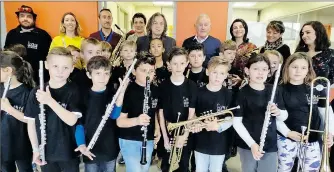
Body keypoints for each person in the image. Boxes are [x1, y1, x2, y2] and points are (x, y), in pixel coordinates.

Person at [24, 47, 82, 172]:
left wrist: (50, 101)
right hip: (45, 151)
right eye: (55, 66)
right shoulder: (36, 91)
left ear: (72, 68)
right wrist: (35, 149)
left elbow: (72, 120)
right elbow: (31, 123)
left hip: (68, 152)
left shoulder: (74, 90)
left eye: (65, 67)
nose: (60, 71)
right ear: (46, 65)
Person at [276, 52, 334, 171]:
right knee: (284, 169)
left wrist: (330, 133)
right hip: (286, 138)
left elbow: (327, 114)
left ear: (308, 70)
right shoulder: (279, 90)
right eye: (294, 67)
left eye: (303, 68)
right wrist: (287, 133)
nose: (298, 71)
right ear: (287, 68)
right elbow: (274, 117)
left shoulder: (317, 89)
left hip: (311, 139)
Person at [233, 54, 287, 172]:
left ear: (269, 72)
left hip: (270, 143)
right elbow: (236, 122)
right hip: (247, 144)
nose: (260, 73)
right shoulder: (242, 93)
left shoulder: (274, 90)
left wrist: (277, 112)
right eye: (256, 69)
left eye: (264, 69)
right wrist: (252, 144)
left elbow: (284, 116)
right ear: (247, 71)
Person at [74, 56, 128, 172]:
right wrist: (81, 144)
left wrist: (121, 94)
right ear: (89, 75)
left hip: (109, 147)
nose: (102, 77)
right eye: (97, 73)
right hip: (90, 148)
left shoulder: (112, 93)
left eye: (106, 73)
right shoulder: (83, 96)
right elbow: (79, 124)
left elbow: (114, 115)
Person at [117, 53, 160, 172]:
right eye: (143, 70)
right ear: (134, 71)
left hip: (148, 139)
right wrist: (137, 120)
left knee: (143, 169)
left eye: (151, 71)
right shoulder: (127, 91)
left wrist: (157, 128)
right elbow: (120, 122)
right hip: (129, 139)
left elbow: (154, 111)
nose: (148, 74)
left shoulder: (156, 90)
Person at [159, 47, 198, 172]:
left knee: (183, 166)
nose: (178, 67)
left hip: (185, 135)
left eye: (182, 63)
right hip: (168, 133)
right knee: (166, 165)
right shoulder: (163, 85)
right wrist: (165, 138)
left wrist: (185, 136)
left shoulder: (191, 86)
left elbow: (191, 113)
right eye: (174, 63)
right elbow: (160, 113)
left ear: (187, 64)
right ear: (168, 64)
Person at [192, 56, 234, 172]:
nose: (217, 76)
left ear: (226, 75)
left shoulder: (229, 94)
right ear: (207, 72)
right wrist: (195, 123)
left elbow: (231, 118)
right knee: (200, 169)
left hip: (219, 142)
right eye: (214, 72)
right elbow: (193, 114)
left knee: (216, 169)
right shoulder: (198, 92)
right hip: (201, 140)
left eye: (221, 73)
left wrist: (218, 126)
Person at [0, 51, 35, 172]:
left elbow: (29, 119)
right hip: (3, 143)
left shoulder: (27, 92)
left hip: (22, 143)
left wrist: (9, 109)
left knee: (25, 169)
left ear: (8, 70)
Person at [4, 5, 52, 84]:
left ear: (34, 19)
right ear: (18, 18)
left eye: (29, 16)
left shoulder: (43, 35)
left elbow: (49, 58)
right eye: (22, 16)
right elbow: (6, 56)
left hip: (38, 79)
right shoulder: (11, 34)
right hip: (16, 78)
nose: (25, 19)